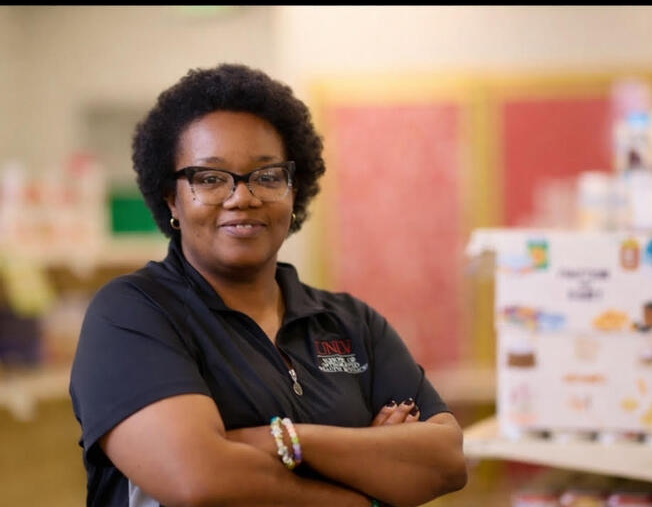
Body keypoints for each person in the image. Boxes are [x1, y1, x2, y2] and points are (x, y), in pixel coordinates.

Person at [69, 63, 467, 507]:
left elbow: (446, 461)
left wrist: (283, 439)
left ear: (294, 191)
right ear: (171, 199)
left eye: (267, 175)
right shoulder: (134, 313)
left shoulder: (352, 323)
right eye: (210, 178)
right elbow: (198, 479)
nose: (243, 197)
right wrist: (368, 482)